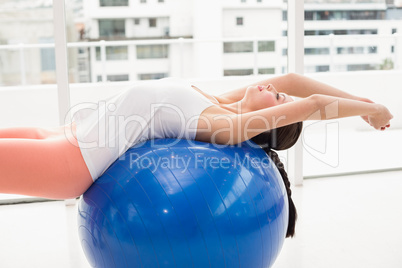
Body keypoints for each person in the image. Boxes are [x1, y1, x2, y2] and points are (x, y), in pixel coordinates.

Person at [0, 73, 393, 238]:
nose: (277, 87)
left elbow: (311, 102)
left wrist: (370, 113)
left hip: (69, 161)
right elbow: (294, 81)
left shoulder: (222, 124)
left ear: (265, 120)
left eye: (279, 100)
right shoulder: (217, 101)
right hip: (57, 136)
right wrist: (363, 99)